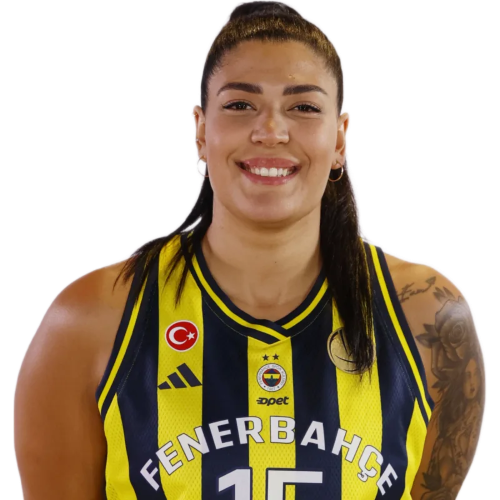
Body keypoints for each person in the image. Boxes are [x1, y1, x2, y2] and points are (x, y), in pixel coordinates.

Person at [13, 1, 486, 498]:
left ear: (340, 138)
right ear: (201, 130)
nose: (271, 132)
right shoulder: (88, 322)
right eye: (240, 105)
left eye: (304, 107)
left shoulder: (430, 319)